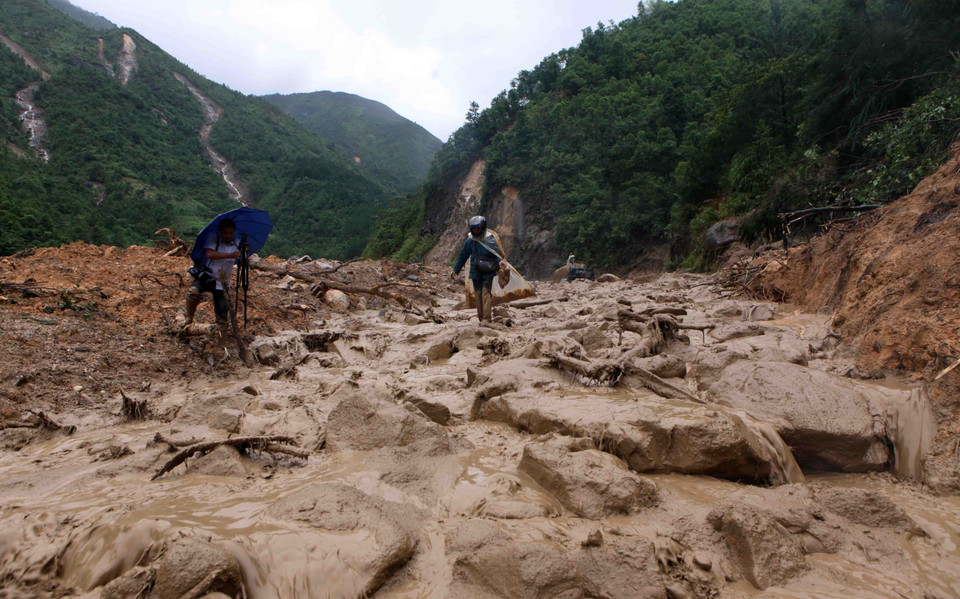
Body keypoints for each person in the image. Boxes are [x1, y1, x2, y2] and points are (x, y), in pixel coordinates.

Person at [182, 218, 240, 338]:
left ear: (234, 232)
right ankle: (188, 319)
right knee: (193, 293)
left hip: (223, 283)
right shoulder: (214, 238)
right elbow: (210, 254)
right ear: (220, 232)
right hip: (208, 277)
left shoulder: (237, 243)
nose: (228, 235)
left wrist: (244, 257)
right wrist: (231, 255)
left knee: (222, 315)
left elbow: (243, 260)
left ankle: (221, 341)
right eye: (225, 232)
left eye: (230, 232)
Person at [451, 215, 508, 322]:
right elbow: (463, 255)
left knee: (486, 293)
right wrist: (456, 269)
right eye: (474, 229)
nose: (476, 231)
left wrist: (500, 262)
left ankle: (487, 319)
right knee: (478, 294)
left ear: (483, 227)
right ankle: (481, 318)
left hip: (488, 270)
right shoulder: (470, 241)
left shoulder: (490, 239)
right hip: (475, 271)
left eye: (478, 228)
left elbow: (496, 254)